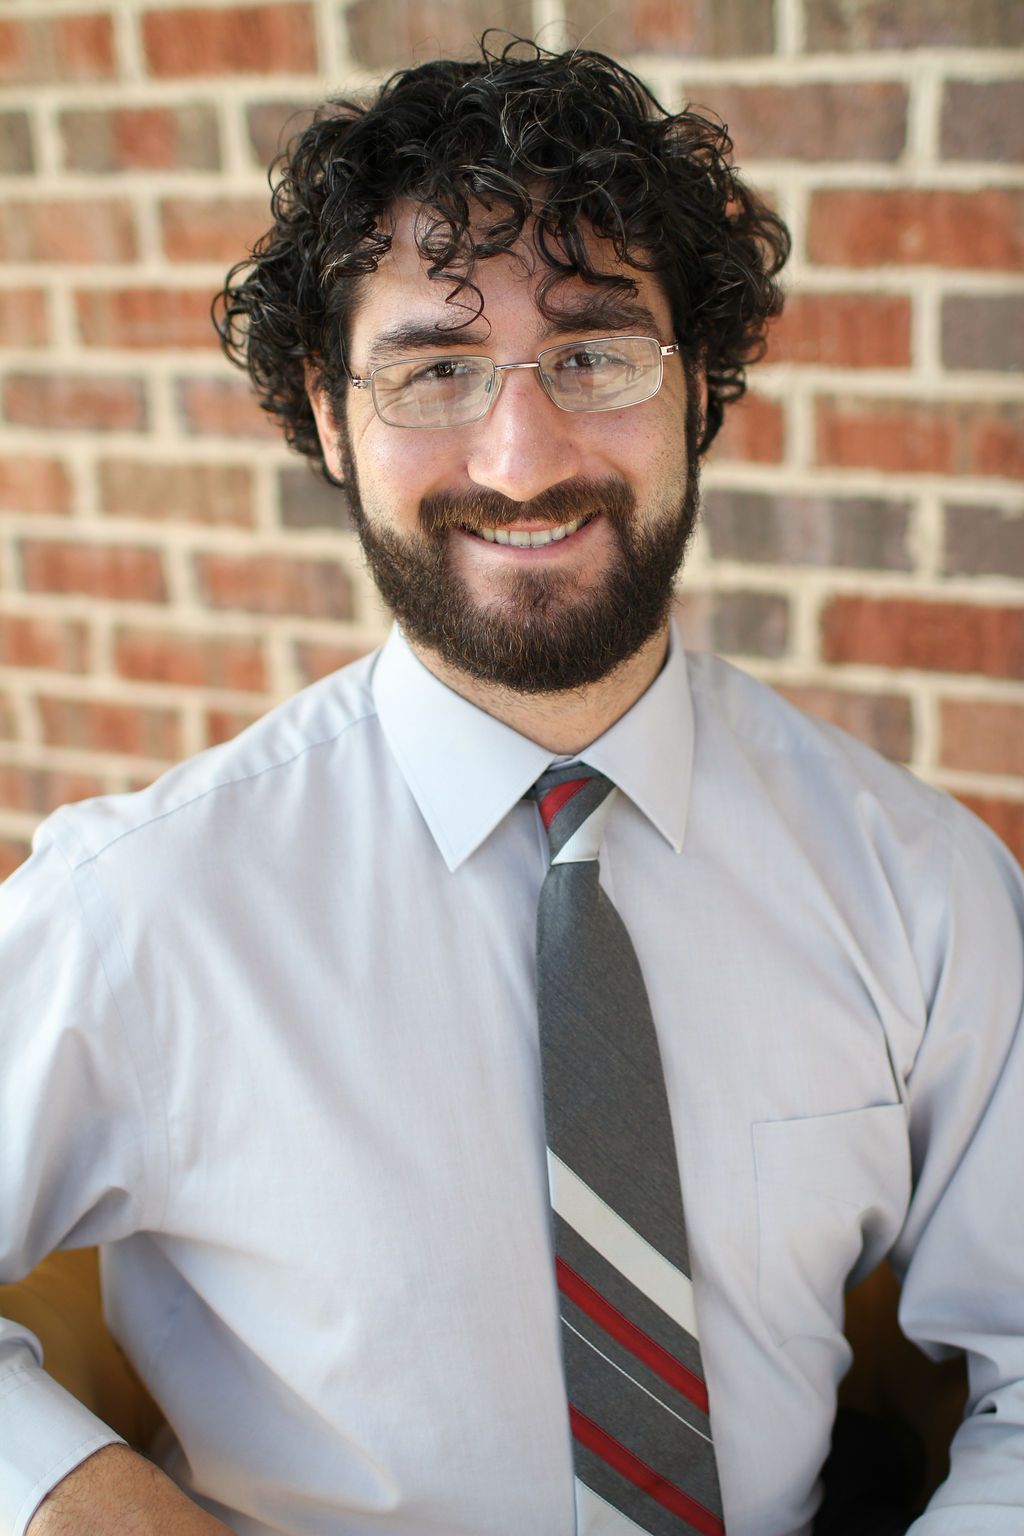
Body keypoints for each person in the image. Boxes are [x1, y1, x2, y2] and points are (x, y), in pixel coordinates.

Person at [1, 35, 1022, 1536]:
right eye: (435, 370)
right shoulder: (138, 908)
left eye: (596, 354)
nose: (523, 453)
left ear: (698, 392)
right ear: (329, 411)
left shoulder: (920, 887)